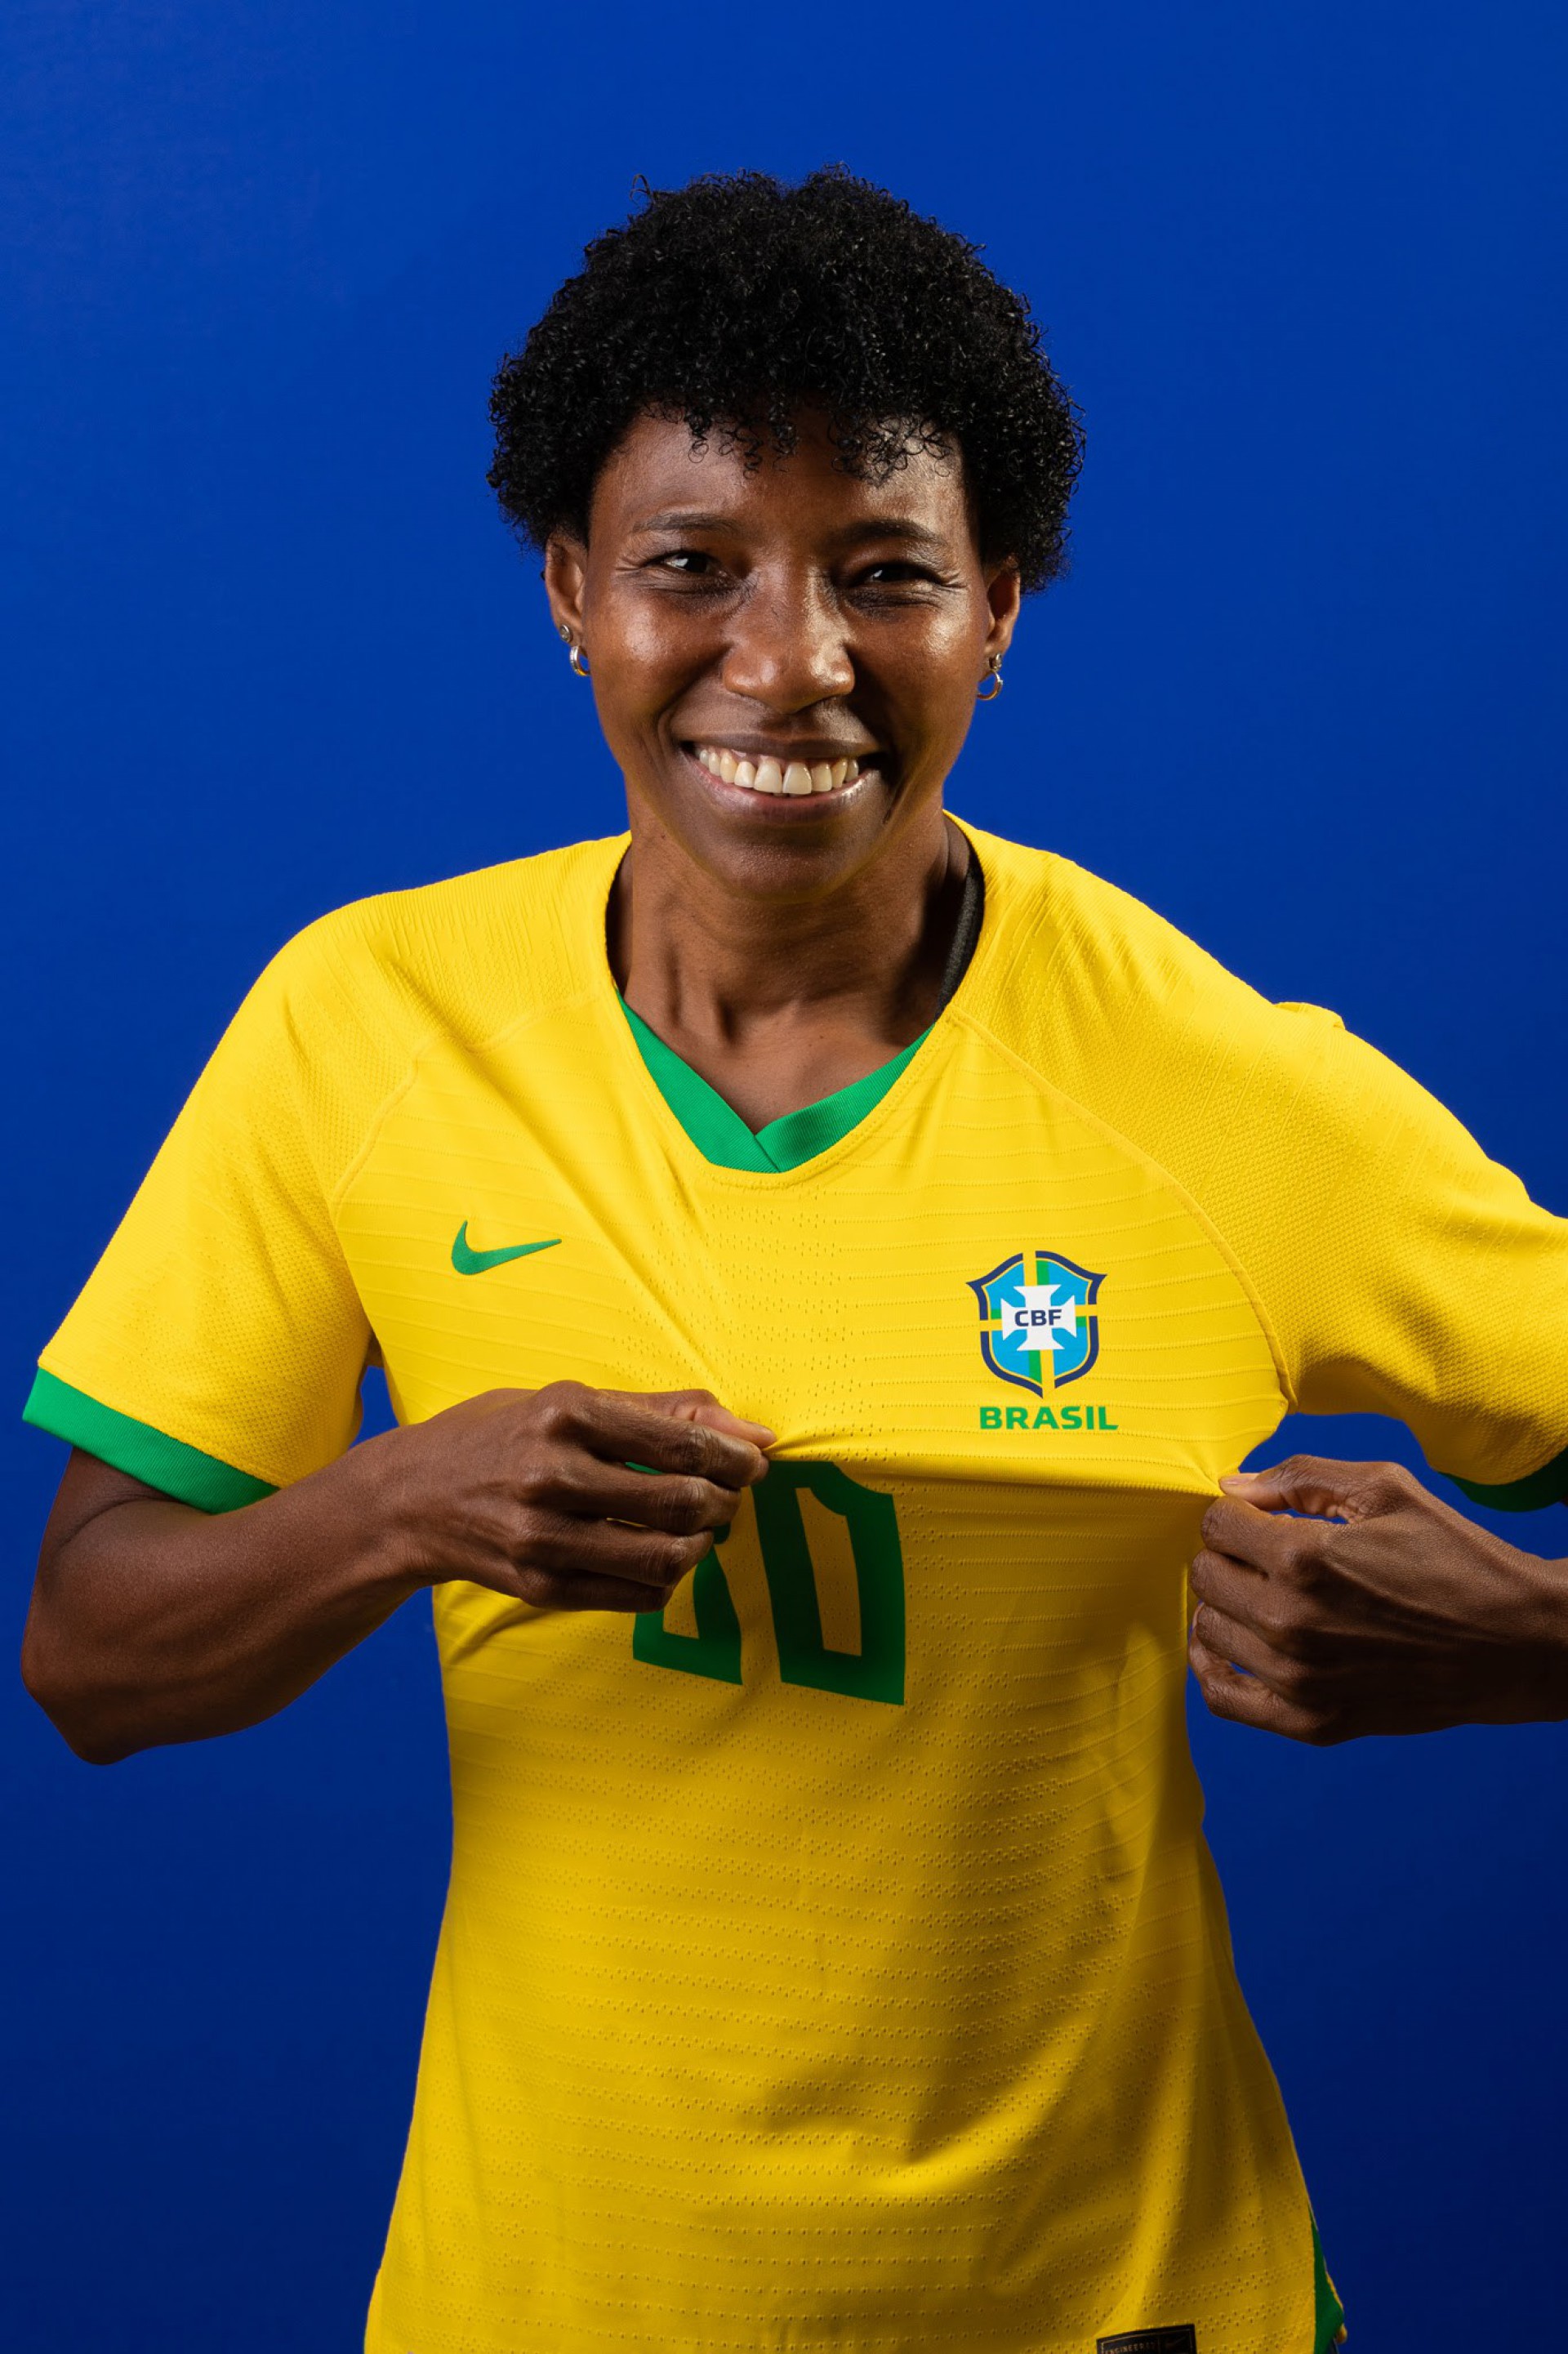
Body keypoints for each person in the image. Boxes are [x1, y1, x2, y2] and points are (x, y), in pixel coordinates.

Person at [20, 168, 1567, 2354]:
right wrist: (397, 1505)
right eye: (693, 566)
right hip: (546, 2308)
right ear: (572, 590)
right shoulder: (366, 1025)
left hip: (1124, 2307)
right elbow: (87, 1656)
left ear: (1000, 609)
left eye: (886, 573)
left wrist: (1534, 1638)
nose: (789, 660)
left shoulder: (1216, 1087)